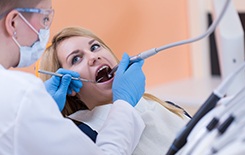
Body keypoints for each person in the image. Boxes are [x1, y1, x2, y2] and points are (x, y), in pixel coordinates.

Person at [0, 0, 147, 154]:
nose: (93, 57)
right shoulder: (22, 94)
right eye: (45, 18)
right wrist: (124, 103)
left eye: (95, 47)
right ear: (14, 22)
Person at [39, 26, 191, 155]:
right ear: (68, 86)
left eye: (95, 47)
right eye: (76, 59)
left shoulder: (166, 107)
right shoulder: (83, 136)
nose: (93, 57)